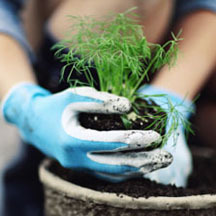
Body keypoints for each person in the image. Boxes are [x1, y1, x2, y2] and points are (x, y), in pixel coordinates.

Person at [0, 0, 216, 215]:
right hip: (75, 68)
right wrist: (24, 103)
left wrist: (172, 96)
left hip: (161, 64)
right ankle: (40, 173)